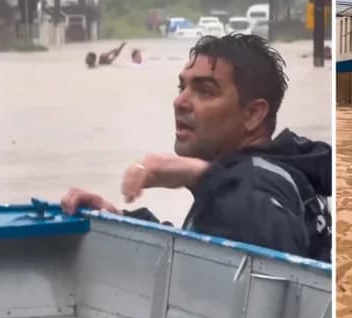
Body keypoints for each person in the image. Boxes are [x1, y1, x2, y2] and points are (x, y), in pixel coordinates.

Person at [61, 34, 332, 261]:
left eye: (205, 91)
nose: (180, 101)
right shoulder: (266, 171)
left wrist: (200, 175)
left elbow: (272, 250)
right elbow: (203, 254)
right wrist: (117, 218)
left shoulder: (261, 182)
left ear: (253, 114)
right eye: (182, 87)